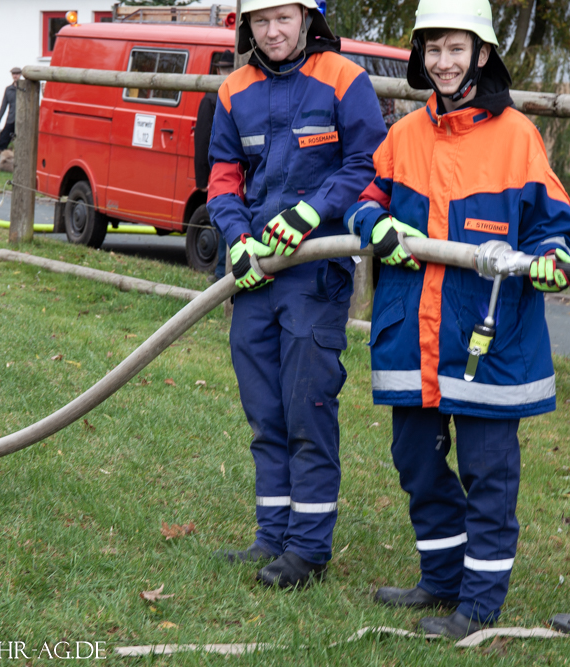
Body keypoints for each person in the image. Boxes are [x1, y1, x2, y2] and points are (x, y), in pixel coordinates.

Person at [344, 0, 570, 639]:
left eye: (456, 49)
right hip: (414, 336)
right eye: (433, 50)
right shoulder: (403, 136)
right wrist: (378, 225)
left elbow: (558, 229)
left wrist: (556, 258)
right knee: (413, 460)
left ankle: (477, 606)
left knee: (488, 473)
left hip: (487, 335)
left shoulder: (517, 137)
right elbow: (363, 203)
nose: (443, 63)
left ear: (482, 54)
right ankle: (442, 577)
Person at [207, 0, 387, 588]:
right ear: (247, 27)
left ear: (309, 19)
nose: (273, 31)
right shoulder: (234, 90)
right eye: (261, 21)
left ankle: (307, 549)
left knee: (306, 405)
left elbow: (369, 165)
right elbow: (223, 177)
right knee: (263, 410)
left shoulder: (345, 79)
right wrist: (235, 239)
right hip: (255, 272)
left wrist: (313, 212)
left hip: (315, 273)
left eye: (283, 18)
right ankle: (271, 533)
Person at [194, 51, 235, 283]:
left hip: (221, 167)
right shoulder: (219, 97)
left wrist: (202, 178)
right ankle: (222, 270)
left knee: (223, 217)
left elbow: (202, 139)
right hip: (226, 169)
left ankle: (221, 271)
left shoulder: (210, 98)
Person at [0, 67, 22, 169]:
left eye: (17, 73)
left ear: (21, 75)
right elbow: (4, 105)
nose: (15, 75)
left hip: (22, 121)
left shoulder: (26, 89)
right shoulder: (9, 89)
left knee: (22, 142)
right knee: (3, 140)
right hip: (11, 119)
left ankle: (20, 164)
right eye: (13, 74)